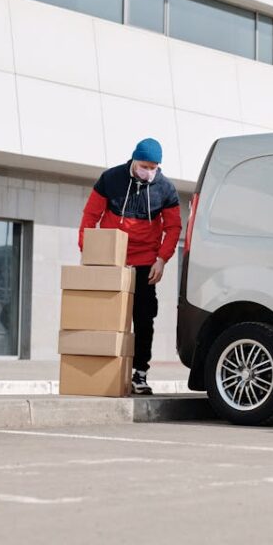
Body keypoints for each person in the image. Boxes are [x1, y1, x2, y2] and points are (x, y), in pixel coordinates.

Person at [78, 138, 182, 395]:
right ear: (134, 161)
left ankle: (140, 374)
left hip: (146, 261)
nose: (149, 172)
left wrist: (162, 259)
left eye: (154, 167)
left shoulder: (166, 189)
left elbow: (173, 228)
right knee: (106, 316)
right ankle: (101, 369)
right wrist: (88, 249)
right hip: (113, 258)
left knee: (144, 319)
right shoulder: (110, 179)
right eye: (144, 166)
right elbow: (91, 216)